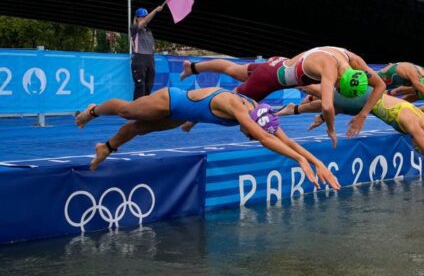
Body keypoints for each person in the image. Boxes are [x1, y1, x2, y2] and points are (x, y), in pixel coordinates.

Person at [73, 87, 339, 191]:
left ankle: (106, 147)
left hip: (185, 112)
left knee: (140, 128)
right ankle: (93, 110)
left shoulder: (260, 111)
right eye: (249, 135)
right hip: (172, 99)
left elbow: (284, 139)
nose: (247, 137)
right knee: (127, 111)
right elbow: (264, 139)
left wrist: (316, 162)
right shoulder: (241, 110)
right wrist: (298, 161)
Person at [286, 86, 424, 195]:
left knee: (331, 104)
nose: (418, 148)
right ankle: (289, 79)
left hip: (368, 98)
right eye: (419, 147)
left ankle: (296, 107)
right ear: (420, 142)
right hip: (364, 99)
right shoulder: (414, 126)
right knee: (322, 94)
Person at [179, 46, 385, 146]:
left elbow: (380, 85)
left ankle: (192, 67)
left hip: (277, 63)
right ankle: (191, 118)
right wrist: (331, 130)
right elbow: (328, 107)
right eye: (338, 89)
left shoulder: (353, 60)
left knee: (235, 70)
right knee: (232, 104)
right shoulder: (330, 71)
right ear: (341, 81)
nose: (336, 89)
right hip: (269, 79)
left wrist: (363, 115)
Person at [130, 6, 164, 99]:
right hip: (139, 59)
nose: (145, 18)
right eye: (142, 16)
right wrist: (155, 10)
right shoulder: (134, 28)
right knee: (140, 86)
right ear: (137, 18)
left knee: (148, 87)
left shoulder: (149, 31)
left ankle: (145, 110)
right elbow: (144, 22)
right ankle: (136, 110)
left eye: (146, 16)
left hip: (150, 59)